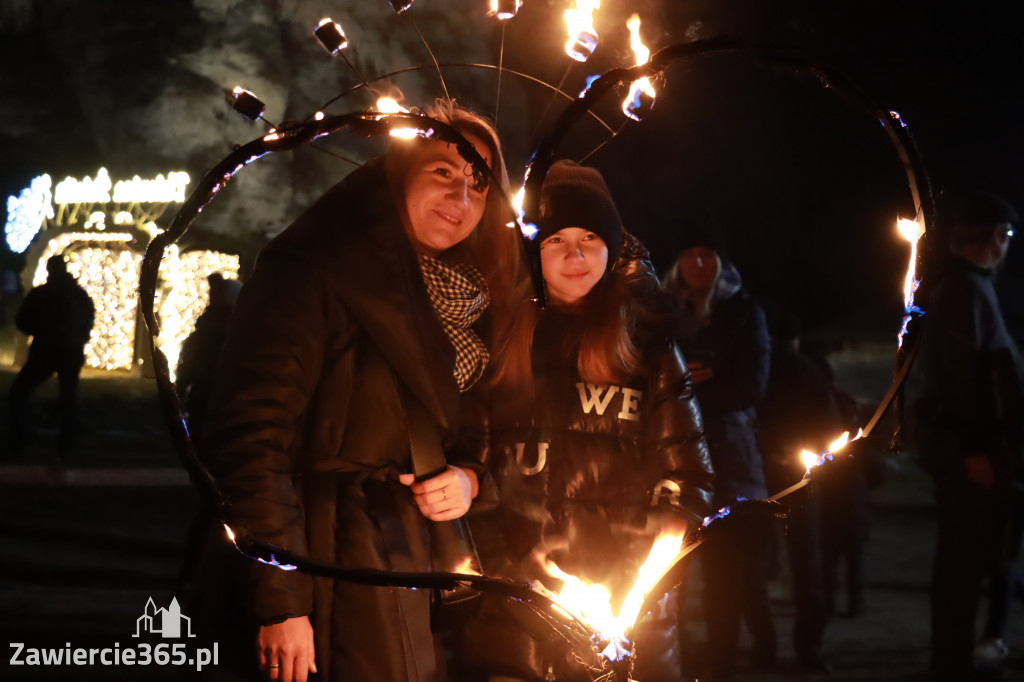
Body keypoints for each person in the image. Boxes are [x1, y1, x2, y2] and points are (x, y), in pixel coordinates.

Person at [194, 99, 522, 682]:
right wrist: (282, 600)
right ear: (397, 173)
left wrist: (469, 479)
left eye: (478, 183)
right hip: (320, 553)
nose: (461, 199)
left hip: (407, 557)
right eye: (443, 172)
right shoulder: (313, 266)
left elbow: (475, 429)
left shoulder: (465, 301)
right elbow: (250, 438)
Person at [461, 161, 715, 681]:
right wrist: (508, 573)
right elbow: (474, 472)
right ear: (533, 249)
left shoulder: (647, 348)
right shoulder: (500, 343)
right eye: (556, 239)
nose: (574, 254)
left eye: (590, 237)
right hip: (519, 617)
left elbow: (691, 478)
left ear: (613, 246)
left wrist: (659, 541)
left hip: (625, 620)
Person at [906, 191, 1023, 681]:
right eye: (1006, 235)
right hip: (968, 456)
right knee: (961, 564)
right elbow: (960, 381)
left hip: (975, 452)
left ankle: (955, 658)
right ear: (995, 237)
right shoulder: (964, 293)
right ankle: (950, 664)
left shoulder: (969, 289)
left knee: (974, 560)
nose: (1007, 245)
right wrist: (974, 450)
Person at [662, 214, 775, 682]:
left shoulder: (744, 311)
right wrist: (679, 380)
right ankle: (676, 664)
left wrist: (697, 388)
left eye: (706, 254)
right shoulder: (659, 309)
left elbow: (753, 386)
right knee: (670, 575)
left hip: (729, 458)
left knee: (728, 575)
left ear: (720, 259)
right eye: (689, 253)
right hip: (670, 457)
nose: (697, 262)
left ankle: (721, 666)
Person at [758, 308, 843, 673]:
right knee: (804, 565)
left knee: (758, 566)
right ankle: (808, 647)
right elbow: (831, 429)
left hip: (764, 477)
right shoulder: (809, 373)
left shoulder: (761, 370)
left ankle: (766, 647)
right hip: (798, 479)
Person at [8, 254, 95, 458]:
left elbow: (22, 322)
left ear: (49, 270)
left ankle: (20, 439)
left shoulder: (41, 294)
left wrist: (42, 330)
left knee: (18, 394)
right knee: (68, 398)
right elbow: (88, 321)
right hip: (71, 353)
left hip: (45, 352)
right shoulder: (79, 295)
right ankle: (66, 445)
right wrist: (77, 338)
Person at [175, 272, 242, 439]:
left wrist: (179, 395)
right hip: (232, 402)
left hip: (202, 400)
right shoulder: (242, 333)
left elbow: (187, 367)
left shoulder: (203, 332)